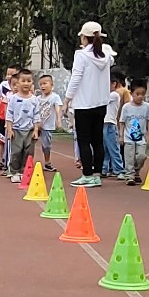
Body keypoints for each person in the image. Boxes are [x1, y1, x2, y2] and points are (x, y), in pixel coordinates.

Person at [63, 21, 116, 187]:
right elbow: (109, 58)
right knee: (97, 140)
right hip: (101, 104)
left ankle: (87, 175)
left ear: (84, 37)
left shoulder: (81, 55)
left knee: (84, 141)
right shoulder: (106, 55)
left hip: (84, 104)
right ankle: (97, 175)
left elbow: (76, 78)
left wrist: (67, 100)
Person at [4, 68, 41, 184]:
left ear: (32, 83)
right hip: (16, 129)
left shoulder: (34, 99)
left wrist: (36, 130)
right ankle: (14, 171)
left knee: (28, 152)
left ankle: (25, 171)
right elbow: (9, 115)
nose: (26, 83)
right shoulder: (13, 98)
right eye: (23, 81)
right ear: (18, 83)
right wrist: (9, 129)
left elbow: (36, 115)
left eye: (29, 81)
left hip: (29, 130)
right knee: (16, 151)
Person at [119, 79, 149, 186]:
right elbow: (122, 122)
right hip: (128, 137)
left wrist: (148, 136)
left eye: (143, 94)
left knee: (142, 156)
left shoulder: (147, 107)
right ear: (132, 94)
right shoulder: (126, 107)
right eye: (137, 94)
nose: (140, 97)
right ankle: (129, 176)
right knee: (129, 157)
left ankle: (136, 171)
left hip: (141, 137)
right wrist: (121, 136)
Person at [102, 69, 127, 178]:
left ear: (114, 84)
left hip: (110, 124)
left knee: (113, 148)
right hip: (103, 123)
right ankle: (104, 169)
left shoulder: (114, 95)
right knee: (104, 149)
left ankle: (119, 170)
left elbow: (102, 101)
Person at [0, 65, 17, 172]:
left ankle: (12, 161)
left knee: (14, 140)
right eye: (7, 74)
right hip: (3, 116)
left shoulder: (19, 86)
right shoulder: (3, 85)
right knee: (1, 139)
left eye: (12, 74)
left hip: (15, 118)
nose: (9, 76)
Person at [37, 73, 63, 172]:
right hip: (36, 125)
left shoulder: (55, 97)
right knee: (28, 143)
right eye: (41, 84)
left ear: (52, 85)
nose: (43, 86)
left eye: (45, 83)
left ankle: (47, 162)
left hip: (47, 126)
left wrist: (58, 121)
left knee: (46, 145)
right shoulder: (37, 98)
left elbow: (58, 109)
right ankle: (25, 162)